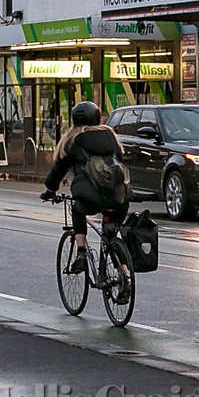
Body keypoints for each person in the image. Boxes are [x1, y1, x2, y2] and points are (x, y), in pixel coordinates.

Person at [39, 101, 129, 279]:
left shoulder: (74, 140)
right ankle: (123, 274)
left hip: (92, 197)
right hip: (120, 196)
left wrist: (50, 189)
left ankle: (81, 252)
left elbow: (60, 168)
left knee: (77, 208)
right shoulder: (110, 136)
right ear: (97, 117)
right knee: (110, 235)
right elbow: (121, 160)